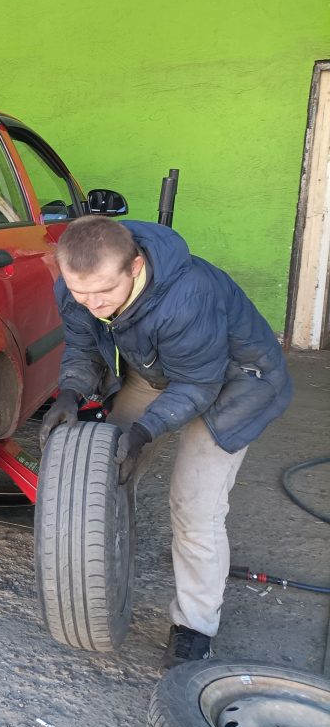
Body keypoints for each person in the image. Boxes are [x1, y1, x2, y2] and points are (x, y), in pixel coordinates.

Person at [40, 215, 292, 667]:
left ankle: (196, 625)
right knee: (105, 463)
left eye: (104, 292)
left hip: (232, 383)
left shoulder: (186, 297)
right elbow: (81, 348)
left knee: (194, 508)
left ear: (135, 266)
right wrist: (70, 393)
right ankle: (99, 562)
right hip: (160, 369)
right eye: (81, 293)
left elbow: (198, 386)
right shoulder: (79, 288)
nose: (93, 304)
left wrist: (144, 432)